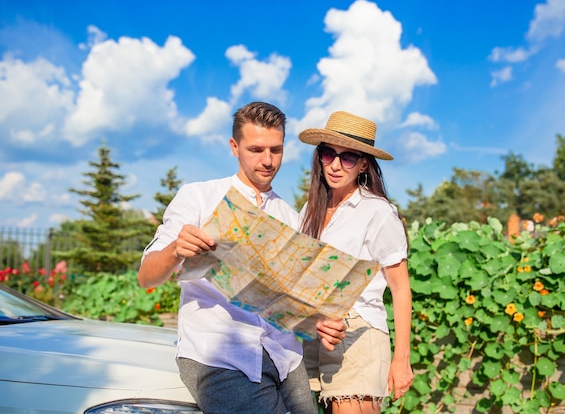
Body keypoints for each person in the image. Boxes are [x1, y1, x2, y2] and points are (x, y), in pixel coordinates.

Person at [137, 101, 347, 414]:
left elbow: (288, 299)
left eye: (276, 150)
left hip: (285, 358)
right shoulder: (199, 197)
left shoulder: (290, 218)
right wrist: (174, 251)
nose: (267, 160)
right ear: (234, 147)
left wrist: (319, 323)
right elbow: (146, 277)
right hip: (221, 357)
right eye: (256, 149)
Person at [298, 111, 414, 414]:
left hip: (357, 332)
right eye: (328, 154)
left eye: (348, 157)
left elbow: (400, 290)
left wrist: (401, 361)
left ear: (364, 164)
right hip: (314, 331)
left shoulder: (377, 212)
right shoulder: (309, 210)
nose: (335, 165)